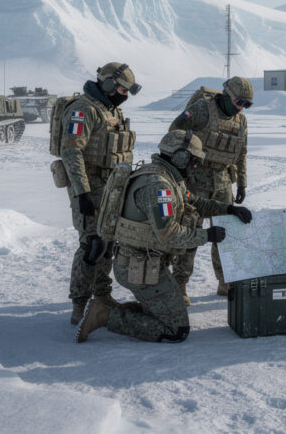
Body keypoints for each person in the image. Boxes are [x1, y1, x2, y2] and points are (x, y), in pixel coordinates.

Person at [76, 129, 252, 343]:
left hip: (146, 263)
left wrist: (229, 209)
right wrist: (206, 235)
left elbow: (194, 202)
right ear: (180, 157)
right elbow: (169, 234)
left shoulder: (168, 177)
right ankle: (104, 316)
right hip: (138, 269)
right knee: (176, 329)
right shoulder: (158, 187)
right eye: (194, 161)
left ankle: (111, 308)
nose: (195, 167)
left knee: (166, 310)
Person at [60, 63, 140, 325]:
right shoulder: (83, 110)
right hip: (90, 188)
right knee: (92, 244)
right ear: (106, 84)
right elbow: (71, 152)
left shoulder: (111, 109)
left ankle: (102, 296)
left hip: (112, 188)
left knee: (108, 244)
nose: (124, 95)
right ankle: (79, 304)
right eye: (120, 88)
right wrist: (82, 193)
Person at [168, 76, 252, 302]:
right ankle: (180, 284)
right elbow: (174, 133)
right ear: (228, 96)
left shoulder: (241, 120)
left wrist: (242, 182)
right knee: (191, 231)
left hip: (223, 180)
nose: (241, 107)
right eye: (239, 102)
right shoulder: (202, 109)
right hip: (196, 177)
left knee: (225, 233)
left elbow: (241, 152)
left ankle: (225, 280)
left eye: (246, 104)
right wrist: (178, 169)